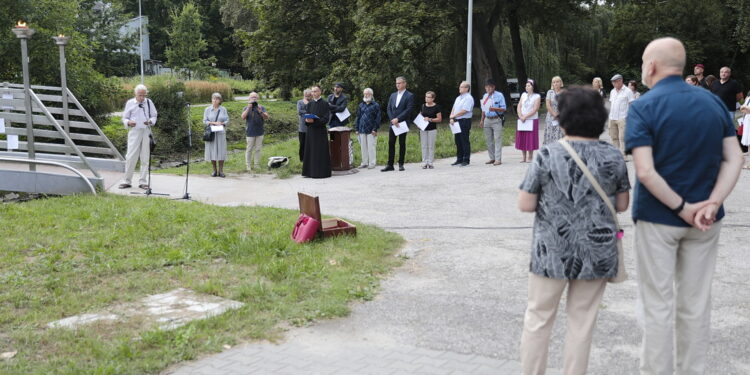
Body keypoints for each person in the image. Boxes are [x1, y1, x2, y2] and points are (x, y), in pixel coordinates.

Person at [625, 37, 743, 375]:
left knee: (657, 304)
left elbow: (645, 171)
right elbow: (734, 158)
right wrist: (713, 202)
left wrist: (681, 208)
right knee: (695, 304)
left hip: (657, 219)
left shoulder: (643, 107)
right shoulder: (713, 104)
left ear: (651, 67)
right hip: (706, 220)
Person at [518, 86, 630, 375]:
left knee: (538, 319)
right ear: (601, 119)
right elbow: (622, 203)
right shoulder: (613, 156)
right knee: (582, 324)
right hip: (597, 251)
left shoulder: (547, 155)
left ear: (563, 118)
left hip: (551, 251)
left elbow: (526, 203)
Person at [119, 84, 158, 189]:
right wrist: (128, 122)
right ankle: (127, 180)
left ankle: (143, 182)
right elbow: (125, 118)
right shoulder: (130, 103)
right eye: (140, 95)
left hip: (146, 131)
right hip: (134, 131)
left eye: (143, 95)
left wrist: (150, 121)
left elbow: (154, 115)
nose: (142, 97)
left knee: (145, 156)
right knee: (130, 156)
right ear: (135, 94)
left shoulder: (149, 102)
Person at [382, 76, 414, 172]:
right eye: (396, 83)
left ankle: (401, 164)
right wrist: (393, 119)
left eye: (399, 83)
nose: (397, 85)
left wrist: (398, 119)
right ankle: (390, 164)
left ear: (404, 84)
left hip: (402, 123)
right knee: (391, 143)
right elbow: (388, 108)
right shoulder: (393, 95)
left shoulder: (409, 95)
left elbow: (409, 109)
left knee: (402, 143)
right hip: (393, 123)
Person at [302, 85, 332, 178]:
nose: (314, 93)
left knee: (320, 152)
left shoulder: (325, 103)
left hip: (320, 132)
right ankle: (310, 172)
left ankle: (321, 173)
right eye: (312, 91)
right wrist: (307, 121)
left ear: (320, 92)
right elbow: (306, 117)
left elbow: (326, 119)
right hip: (311, 132)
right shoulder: (309, 104)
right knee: (311, 151)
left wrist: (314, 121)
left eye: (315, 91)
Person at [479, 78, 507, 165]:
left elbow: (503, 108)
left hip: (496, 119)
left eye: (490, 87)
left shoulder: (499, 95)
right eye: (487, 87)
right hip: (487, 119)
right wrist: (482, 120)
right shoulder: (485, 96)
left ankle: (498, 159)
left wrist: (493, 108)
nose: (488, 89)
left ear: (494, 87)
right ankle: (492, 157)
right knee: (488, 140)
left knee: (497, 139)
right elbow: (483, 109)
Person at [608, 74, 635, 155]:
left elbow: (631, 105)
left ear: (620, 81)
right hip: (612, 117)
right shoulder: (612, 91)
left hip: (623, 117)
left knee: (622, 138)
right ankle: (616, 155)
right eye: (612, 82)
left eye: (615, 82)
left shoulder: (628, 91)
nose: (613, 84)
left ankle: (623, 155)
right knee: (614, 137)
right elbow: (612, 104)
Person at [203, 92, 229, 177]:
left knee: (221, 151)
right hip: (211, 133)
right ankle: (214, 170)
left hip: (220, 132)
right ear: (211, 100)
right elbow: (204, 121)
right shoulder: (207, 109)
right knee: (212, 151)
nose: (215, 100)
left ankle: (221, 171)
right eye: (213, 98)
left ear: (220, 100)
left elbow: (227, 120)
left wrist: (221, 123)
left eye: (217, 99)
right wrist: (212, 122)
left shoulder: (223, 109)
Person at [449, 81, 475, 167]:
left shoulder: (468, 98)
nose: (459, 88)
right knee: (458, 141)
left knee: (464, 140)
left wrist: (454, 116)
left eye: (462, 87)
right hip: (456, 121)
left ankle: (466, 159)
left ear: (467, 88)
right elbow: (453, 108)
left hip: (464, 121)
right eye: (460, 87)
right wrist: (452, 117)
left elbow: (464, 110)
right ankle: (459, 159)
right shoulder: (458, 98)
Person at [242, 92, 269, 171]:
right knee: (249, 149)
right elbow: (243, 117)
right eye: (252, 97)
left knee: (258, 149)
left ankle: (257, 165)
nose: (254, 99)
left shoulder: (261, 107)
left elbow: (266, 117)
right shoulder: (246, 107)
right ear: (249, 99)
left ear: (258, 99)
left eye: (255, 97)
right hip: (250, 132)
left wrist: (260, 111)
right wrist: (248, 108)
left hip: (259, 131)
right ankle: (248, 165)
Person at [515, 79, 541, 163]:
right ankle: (523, 157)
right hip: (522, 119)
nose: (526, 87)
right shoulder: (523, 95)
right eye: (526, 86)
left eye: (529, 86)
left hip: (531, 120)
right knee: (522, 137)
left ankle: (530, 156)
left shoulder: (537, 96)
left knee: (530, 138)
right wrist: (520, 115)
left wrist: (525, 116)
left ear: (533, 87)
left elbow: (535, 109)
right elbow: (519, 105)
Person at [355, 88, 380, 169]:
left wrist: (375, 129)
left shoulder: (375, 105)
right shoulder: (361, 105)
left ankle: (372, 163)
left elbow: (378, 118)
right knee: (363, 147)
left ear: (371, 95)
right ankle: (364, 163)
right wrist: (356, 128)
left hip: (371, 130)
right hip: (361, 129)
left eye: (368, 93)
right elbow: (358, 117)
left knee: (371, 147)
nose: (366, 95)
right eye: (365, 93)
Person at [420, 91, 443, 169]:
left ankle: (430, 162)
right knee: (424, 145)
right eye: (426, 97)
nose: (426, 98)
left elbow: (439, 119)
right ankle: (424, 162)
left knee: (431, 146)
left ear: (433, 98)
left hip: (432, 128)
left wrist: (430, 119)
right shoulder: (423, 106)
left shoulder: (437, 107)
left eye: (428, 97)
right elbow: (420, 115)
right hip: (423, 128)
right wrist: (418, 121)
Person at [543, 76, 563, 145]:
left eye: (557, 82)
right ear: (552, 84)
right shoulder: (550, 92)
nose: (556, 83)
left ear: (561, 83)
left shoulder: (564, 92)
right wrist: (555, 115)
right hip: (551, 116)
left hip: (561, 116)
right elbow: (548, 105)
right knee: (550, 134)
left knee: (559, 135)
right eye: (554, 82)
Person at [296, 89, 312, 162]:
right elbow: (300, 111)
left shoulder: (312, 102)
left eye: (309, 96)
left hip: (311, 126)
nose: (308, 97)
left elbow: (314, 111)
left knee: (310, 144)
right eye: (306, 96)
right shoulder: (300, 102)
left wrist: (305, 113)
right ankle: (302, 159)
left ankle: (310, 158)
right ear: (304, 95)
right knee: (302, 144)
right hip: (302, 127)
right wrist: (308, 112)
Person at [739, 90, 750, 157]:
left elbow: (745, 108)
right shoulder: (748, 98)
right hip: (747, 120)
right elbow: (742, 108)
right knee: (749, 142)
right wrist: (745, 108)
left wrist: (745, 108)